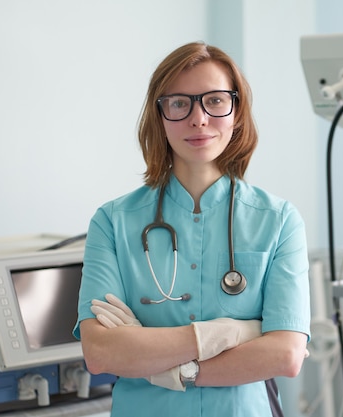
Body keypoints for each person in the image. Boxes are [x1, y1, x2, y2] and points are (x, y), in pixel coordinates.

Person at [73, 41, 311, 417]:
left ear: (237, 111)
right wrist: (231, 333)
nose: (198, 119)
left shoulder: (278, 219)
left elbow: (285, 355)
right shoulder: (113, 221)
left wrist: (168, 367)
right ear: (160, 115)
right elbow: (101, 353)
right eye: (180, 103)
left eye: (215, 100)